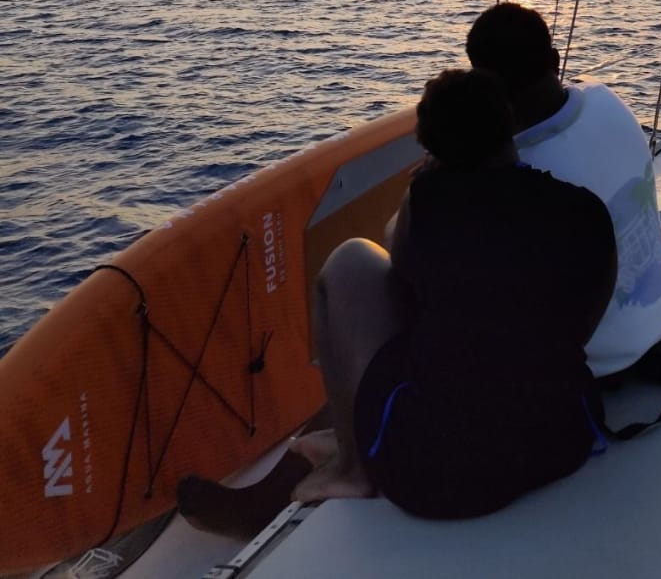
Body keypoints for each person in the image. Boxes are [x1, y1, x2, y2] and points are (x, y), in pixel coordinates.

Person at [181, 67, 615, 530]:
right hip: (559, 442)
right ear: (510, 125)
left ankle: (350, 469)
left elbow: (397, 265)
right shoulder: (584, 209)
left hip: (437, 480)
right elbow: (582, 324)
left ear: (430, 150)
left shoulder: (426, 204)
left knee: (349, 262)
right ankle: (339, 441)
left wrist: (421, 187)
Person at [465, 2, 661, 379]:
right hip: (660, 319)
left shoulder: (520, 173)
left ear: (483, 84)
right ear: (555, 59)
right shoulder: (606, 100)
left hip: (597, 365)